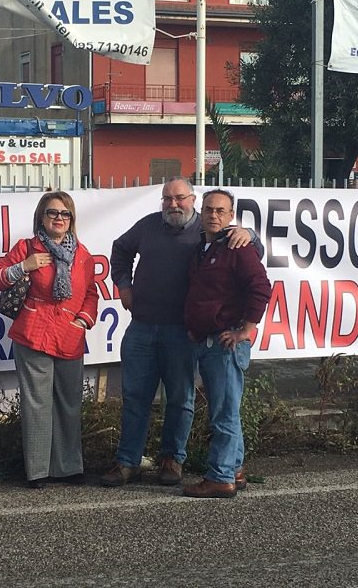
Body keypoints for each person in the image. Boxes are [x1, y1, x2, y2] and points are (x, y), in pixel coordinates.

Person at [100, 177, 257, 488]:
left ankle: (173, 459)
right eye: (167, 199)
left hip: (183, 332)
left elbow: (254, 252)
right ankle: (127, 461)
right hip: (142, 327)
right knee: (134, 397)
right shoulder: (147, 226)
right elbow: (119, 250)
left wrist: (249, 232)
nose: (173, 204)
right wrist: (124, 286)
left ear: (193, 199)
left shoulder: (210, 228)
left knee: (181, 399)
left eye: (180, 198)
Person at [0, 192, 99, 488]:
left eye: (65, 214)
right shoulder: (27, 247)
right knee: (37, 404)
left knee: (69, 402)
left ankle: (68, 466)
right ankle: (38, 471)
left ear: (72, 219)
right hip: (34, 333)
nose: (59, 218)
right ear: (41, 217)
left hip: (69, 336)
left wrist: (82, 320)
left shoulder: (83, 254)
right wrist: (24, 266)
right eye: (53, 213)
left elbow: (90, 293)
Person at [182, 189, 271, 498]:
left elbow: (261, 287)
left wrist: (245, 330)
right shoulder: (203, 248)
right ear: (201, 212)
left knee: (224, 413)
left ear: (231, 216)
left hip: (226, 343)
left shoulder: (239, 247)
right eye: (208, 209)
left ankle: (220, 477)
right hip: (207, 342)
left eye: (221, 210)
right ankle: (234, 468)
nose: (214, 215)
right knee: (225, 409)